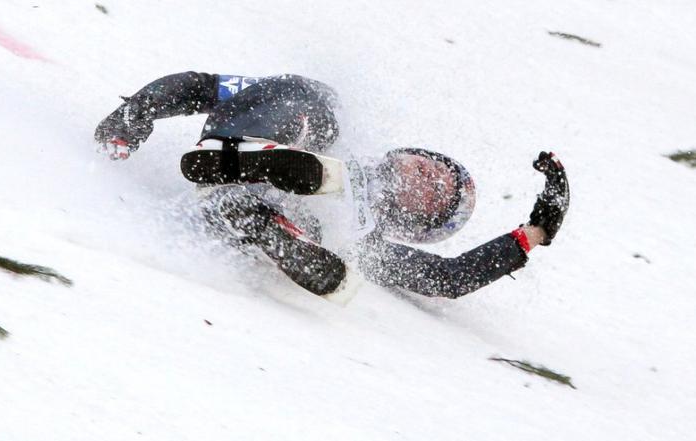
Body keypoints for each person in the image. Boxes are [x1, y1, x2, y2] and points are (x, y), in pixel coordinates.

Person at [94, 72, 570, 302]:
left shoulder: (366, 240)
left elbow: (448, 278)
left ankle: (267, 223)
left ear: (416, 221)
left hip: (245, 203)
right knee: (318, 97)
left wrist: (536, 232)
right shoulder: (332, 122)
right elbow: (200, 86)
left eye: (433, 193)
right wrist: (133, 116)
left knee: (341, 237)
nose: (424, 177)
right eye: (429, 168)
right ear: (410, 151)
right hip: (245, 140)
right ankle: (247, 156)